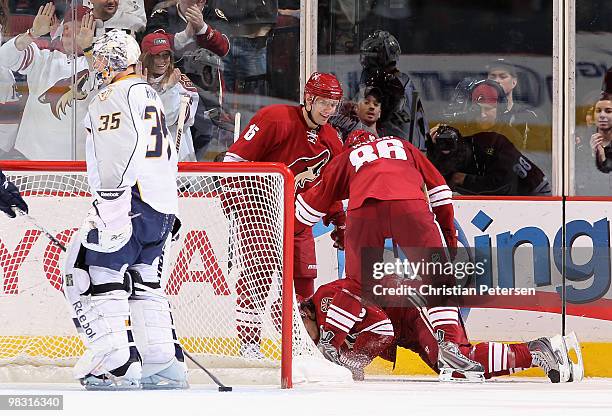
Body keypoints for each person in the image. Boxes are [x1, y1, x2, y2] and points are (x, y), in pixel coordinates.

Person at [64, 29, 187, 390]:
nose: (97, 66)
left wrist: (111, 205)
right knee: (145, 280)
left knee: (88, 271)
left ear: (117, 60)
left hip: (129, 200)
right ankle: (162, 360)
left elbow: (119, 151)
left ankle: (113, 363)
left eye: (102, 59)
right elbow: (165, 155)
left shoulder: (111, 95)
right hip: (161, 206)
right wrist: (168, 206)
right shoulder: (148, 92)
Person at [294, 129, 466, 355]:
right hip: (409, 206)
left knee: (356, 284)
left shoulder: (347, 157)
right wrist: (449, 242)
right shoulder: (403, 145)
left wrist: (286, 234)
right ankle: (450, 345)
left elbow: (306, 210)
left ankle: (330, 345)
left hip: (363, 210)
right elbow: (441, 193)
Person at [223, 71, 346, 358]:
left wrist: (340, 223)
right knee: (259, 277)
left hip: (298, 219)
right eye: (324, 103)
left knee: (304, 280)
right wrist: (233, 197)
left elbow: (333, 188)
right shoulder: (274, 118)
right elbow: (234, 159)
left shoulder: (331, 140)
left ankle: (298, 342)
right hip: (259, 209)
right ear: (309, 98)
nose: (329, 110)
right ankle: (249, 345)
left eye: (334, 104)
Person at [300, 279, 584, 383]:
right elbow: (375, 330)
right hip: (414, 314)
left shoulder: (326, 300)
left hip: (417, 302)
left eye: (302, 330)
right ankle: (537, 352)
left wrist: (333, 347)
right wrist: (349, 362)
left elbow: (381, 328)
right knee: (459, 365)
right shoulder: (327, 314)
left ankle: (537, 350)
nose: (308, 340)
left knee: (457, 363)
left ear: (303, 313)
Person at [0, 3, 96, 160]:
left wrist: (88, 51)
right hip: (34, 158)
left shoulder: (96, 65)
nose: (73, 34)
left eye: (82, 29)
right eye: (68, 28)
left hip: (79, 163)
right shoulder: (43, 58)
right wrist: (32, 33)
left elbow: (103, 81)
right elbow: (4, 57)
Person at [427, 124, 551, 196]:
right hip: (504, 198)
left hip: (534, 193)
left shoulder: (492, 143)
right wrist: (431, 146)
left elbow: (503, 185)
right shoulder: (444, 156)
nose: (446, 146)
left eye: (449, 142)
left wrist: (464, 179)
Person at [359, 30, 429, 151]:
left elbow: (374, 118)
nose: (366, 59)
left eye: (370, 56)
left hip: (400, 148)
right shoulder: (401, 79)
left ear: (381, 58)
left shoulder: (388, 83)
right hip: (412, 146)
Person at [139, 30, 199, 161]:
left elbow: (169, 119)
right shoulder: (135, 81)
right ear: (146, 57)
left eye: (166, 55)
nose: (162, 61)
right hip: (144, 155)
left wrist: (168, 89)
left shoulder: (182, 83)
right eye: (156, 55)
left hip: (177, 156)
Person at [486, 59, 538, 150]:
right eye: (492, 77)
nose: (497, 81)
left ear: (514, 82)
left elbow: (538, 155)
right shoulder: (479, 113)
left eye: (503, 76)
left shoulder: (528, 115)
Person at [589, 93, 612, 173]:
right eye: (598, 111)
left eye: (608, 111)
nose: (602, 115)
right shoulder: (580, 142)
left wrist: (602, 156)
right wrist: (595, 153)